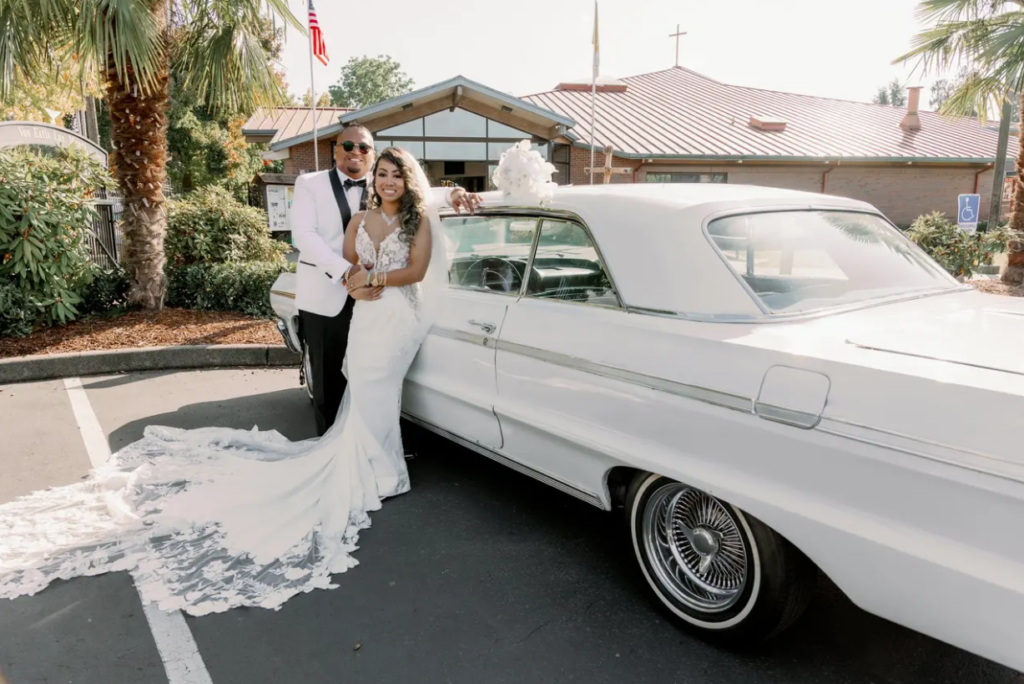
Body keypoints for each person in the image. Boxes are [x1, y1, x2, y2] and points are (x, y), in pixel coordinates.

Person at [0, 146, 456, 617]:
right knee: (362, 388)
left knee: (380, 390)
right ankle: (372, 466)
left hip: (399, 319)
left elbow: (418, 270)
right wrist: (358, 285)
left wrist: (379, 272)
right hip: (365, 317)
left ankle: (382, 472)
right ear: (374, 180)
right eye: (380, 174)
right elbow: (346, 270)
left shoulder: (418, 221)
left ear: (407, 180)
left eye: (394, 175)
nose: (386, 181)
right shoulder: (358, 223)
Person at [291, 124, 479, 436]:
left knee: (372, 380)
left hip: (382, 303)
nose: (355, 152)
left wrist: (454, 191)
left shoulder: (381, 179)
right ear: (335, 149)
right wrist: (350, 276)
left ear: (372, 154)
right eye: (347, 145)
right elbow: (304, 236)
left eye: (363, 147)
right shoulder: (309, 183)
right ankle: (333, 447)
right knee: (329, 381)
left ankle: (372, 442)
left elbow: (415, 187)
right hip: (328, 294)